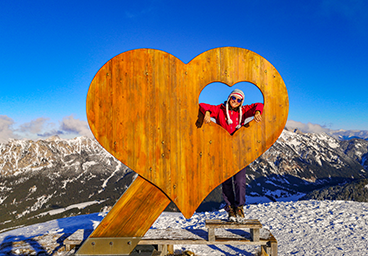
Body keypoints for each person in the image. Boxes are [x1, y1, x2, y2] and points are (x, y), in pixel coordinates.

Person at [199, 89, 263, 220]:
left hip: (239, 152)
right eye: (234, 98)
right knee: (226, 182)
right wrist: (206, 112)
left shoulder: (243, 111)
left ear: (241, 102)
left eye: (239, 100)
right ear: (229, 98)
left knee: (240, 181)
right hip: (223, 151)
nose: (235, 101)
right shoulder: (220, 109)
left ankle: (239, 207)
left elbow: (259, 104)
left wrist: (257, 112)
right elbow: (203, 105)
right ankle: (230, 209)